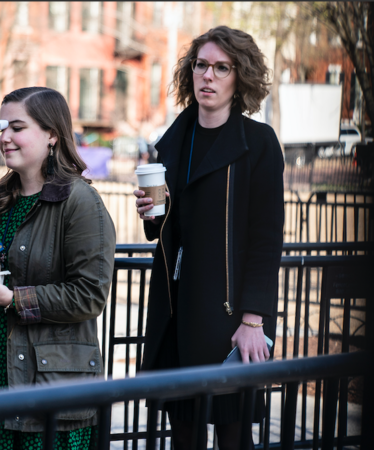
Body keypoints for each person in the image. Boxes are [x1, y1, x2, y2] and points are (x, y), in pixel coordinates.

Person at [134, 26, 284, 450]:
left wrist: (253, 319)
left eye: (222, 67)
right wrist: (150, 215)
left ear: (241, 77)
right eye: (201, 65)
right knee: (183, 433)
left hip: (232, 315)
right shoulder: (173, 143)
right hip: (177, 310)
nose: (209, 76)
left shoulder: (258, 143)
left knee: (232, 434)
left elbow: (266, 238)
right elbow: (167, 232)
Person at [0, 87, 116, 449]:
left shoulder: (80, 201)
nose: (3, 136)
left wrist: (12, 299)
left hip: (44, 388)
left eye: (17, 127)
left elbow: (89, 296)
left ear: (52, 134)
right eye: (3, 127)